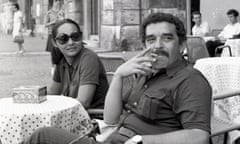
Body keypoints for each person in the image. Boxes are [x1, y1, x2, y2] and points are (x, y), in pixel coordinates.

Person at [24, 13, 212, 144]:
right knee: (42, 134)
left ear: (181, 45)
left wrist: (139, 141)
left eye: (167, 38)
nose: (157, 45)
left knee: (42, 136)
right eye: (150, 40)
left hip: (131, 141)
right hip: (111, 137)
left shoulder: (190, 80)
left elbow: (199, 136)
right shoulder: (145, 72)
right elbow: (111, 118)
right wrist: (120, 75)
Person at [46, 18, 109, 109]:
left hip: (94, 116)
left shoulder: (89, 58)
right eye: (63, 39)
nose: (71, 42)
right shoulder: (61, 62)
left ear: (81, 37)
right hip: (73, 114)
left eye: (75, 36)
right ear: (54, 43)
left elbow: (84, 102)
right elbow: (52, 92)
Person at [45, 0, 65, 75]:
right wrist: (53, 22)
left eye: (59, 3)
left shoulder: (61, 12)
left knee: (61, 51)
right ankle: (53, 67)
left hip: (60, 34)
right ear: (53, 3)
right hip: (52, 34)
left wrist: (62, 20)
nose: (58, 4)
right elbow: (45, 24)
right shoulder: (49, 13)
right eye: (56, 2)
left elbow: (64, 22)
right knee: (53, 52)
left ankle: (60, 67)